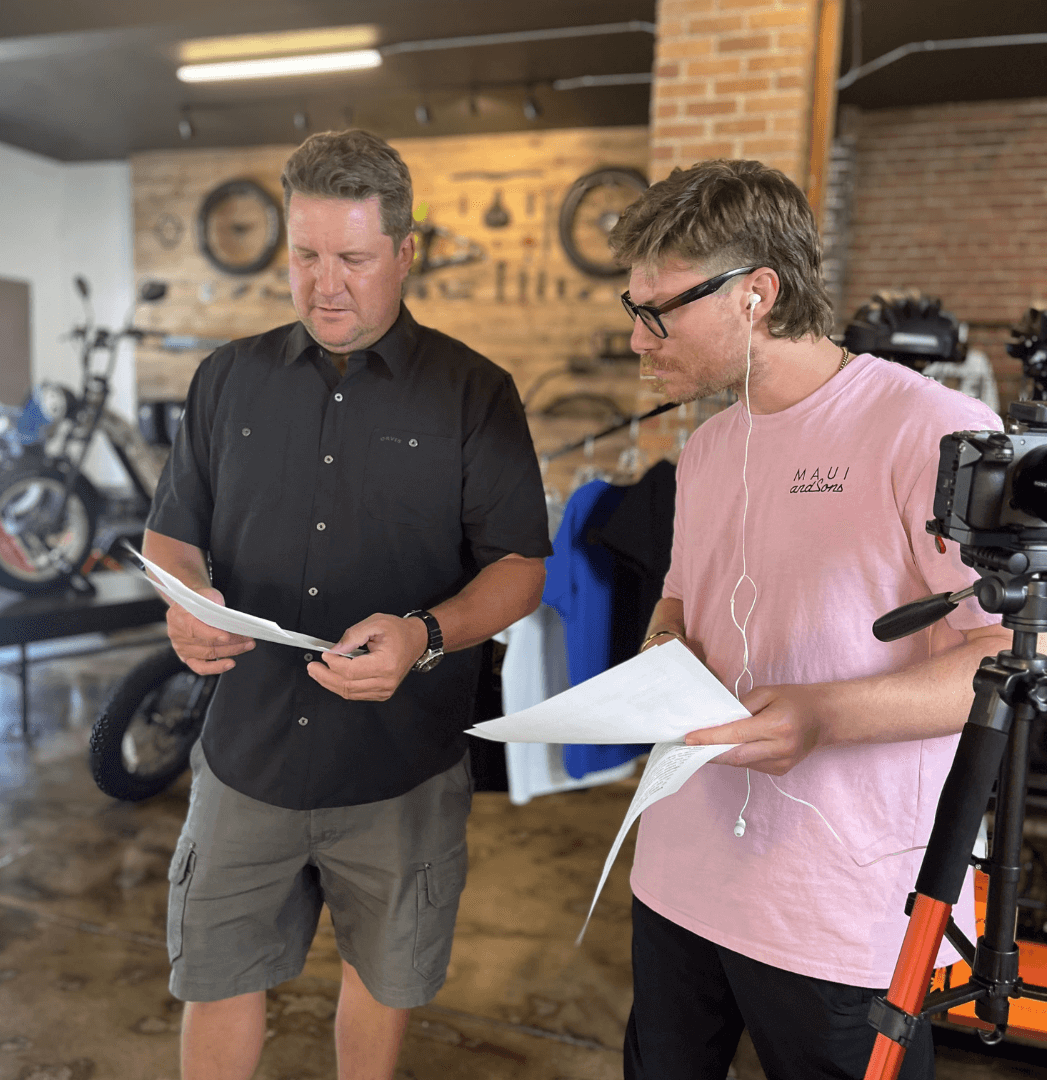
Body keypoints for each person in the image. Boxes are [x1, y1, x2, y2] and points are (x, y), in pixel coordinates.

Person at [143, 129, 551, 1080]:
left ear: (405, 254)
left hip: (399, 768)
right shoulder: (226, 379)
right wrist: (186, 600)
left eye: (354, 259)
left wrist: (425, 634)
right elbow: (172, 532)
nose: (326, 284)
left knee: (383, 977)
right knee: (216, 974)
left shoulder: (474, 393)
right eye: (306, 255)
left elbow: (521, 569)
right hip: (245, 756)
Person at [609, 159, 1008, 1079]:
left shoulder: (932, 431)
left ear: (756, 293)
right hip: (679, 871)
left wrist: (824, 715)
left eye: (656, 310)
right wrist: (662, 646)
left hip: (839, 909)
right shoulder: (709, 445)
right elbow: (682, 593)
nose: (638, 339)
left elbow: (1010, 651)